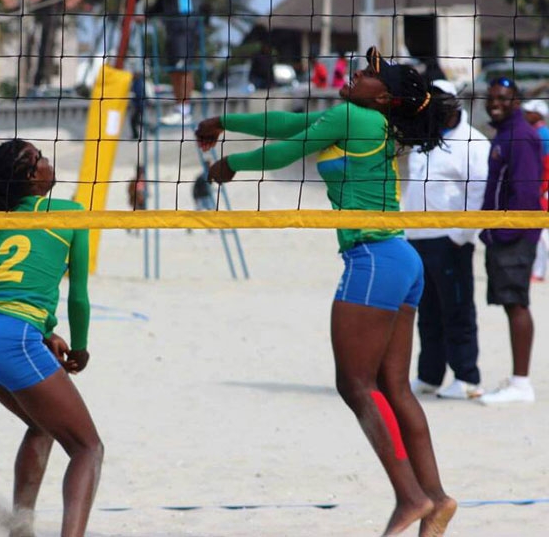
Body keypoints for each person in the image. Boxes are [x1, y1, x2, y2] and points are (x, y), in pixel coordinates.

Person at [195, 46, 456, 536]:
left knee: (355, 385)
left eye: (371, 74)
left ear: (384, 99)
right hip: (400, 257)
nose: (358, 73)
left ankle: (410, 498)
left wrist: (232, 164)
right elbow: (290, 126)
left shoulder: (353, 115)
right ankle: (436, 499)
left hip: (372, 257)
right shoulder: (361, 119)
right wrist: (224, 119)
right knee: (394, 388)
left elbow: (285, 152)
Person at [0, 139, 103, 537]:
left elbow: (12, 287)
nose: (48, 162)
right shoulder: (71, 214)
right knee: (88, 449)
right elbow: (78, 296)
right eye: (41, 158)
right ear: (29, 176)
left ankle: (20, 530)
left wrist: (45, 331)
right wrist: (81, 345)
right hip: (13, 338)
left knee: (43, 426)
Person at [404, 80, 490, 400]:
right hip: (416, 236)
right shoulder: (422, 140)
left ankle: (467, 378)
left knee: (457, 310)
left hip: (449, 240)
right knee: (426, 312)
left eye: (442, 104)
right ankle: (429, 376)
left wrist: (460, 236)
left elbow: (478, 192)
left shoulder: (474, 143)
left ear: (455, 105)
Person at [477, 78, 543, 404]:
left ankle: (521, 384)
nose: (494, 104)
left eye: (502, 98)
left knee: (517, 302)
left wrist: (504, 232)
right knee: (510, 302)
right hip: (502, 234)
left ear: (515, 101)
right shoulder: (505, 133)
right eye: (491, 98)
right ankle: (518, 380)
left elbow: (528, 193)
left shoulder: (520, 136)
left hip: (514, 235)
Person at [144, 0, 201, 126]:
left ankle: (184, 111)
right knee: (175, 70)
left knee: (184, 69)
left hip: (184, 23)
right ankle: (179, 109)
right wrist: (146, 14)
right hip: (173, 25)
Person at [521, 99, 549, 282]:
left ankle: (538, 273)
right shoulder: (540, 133)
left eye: (529, 112)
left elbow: (545, 165)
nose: (526, 114)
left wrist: (541, 187)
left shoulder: (539, 134)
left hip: (544, 187)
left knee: (543, 233)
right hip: (543, 186)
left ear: (538, 114)